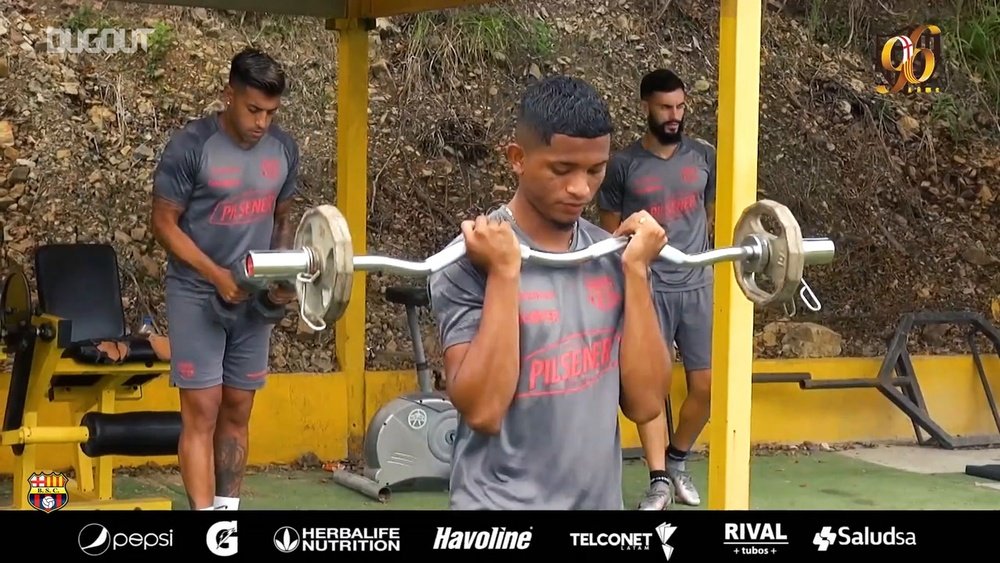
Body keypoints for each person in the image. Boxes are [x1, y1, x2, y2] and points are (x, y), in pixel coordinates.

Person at [428, 75, 672, 510]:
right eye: (562, 170)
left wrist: (636, 273)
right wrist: (505, 274)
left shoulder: (613, 256)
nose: (580, 188)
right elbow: (482, 412)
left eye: (595, 170)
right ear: (518, 158)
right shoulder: (467, 261)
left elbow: (647, 403)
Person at [150, 47, 300, 511]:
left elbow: (283, 217)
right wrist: (215, 274)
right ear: (228, 95)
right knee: (203, 411)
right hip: (196, 291)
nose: (262, 122)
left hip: (252, 299)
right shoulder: (190, 147)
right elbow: (163, 224)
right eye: (253, 109)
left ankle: (226, 522)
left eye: (271, 113)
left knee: (238, 407)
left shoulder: (284, 150)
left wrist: (281, 272)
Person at [597, 69, 717, 510]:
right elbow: (611, 236)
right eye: (666, 107)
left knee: (706, 388)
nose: (674, 115)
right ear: (646, 105)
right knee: (650, 390)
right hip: (648, 290)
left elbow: (710, 215)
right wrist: (630, 282)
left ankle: (677, 457)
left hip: (698, 284)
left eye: (681, 107)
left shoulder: (704, 156)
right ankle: (659, 478)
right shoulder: (623, 166)